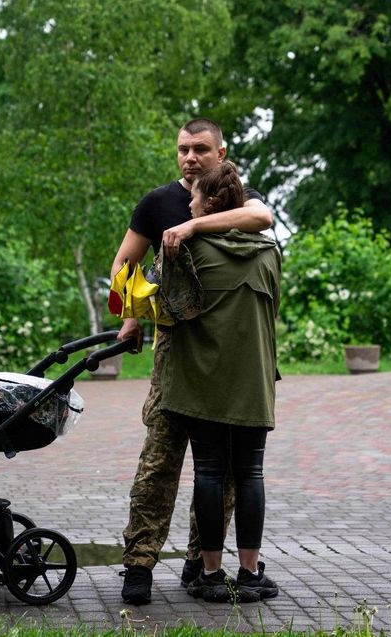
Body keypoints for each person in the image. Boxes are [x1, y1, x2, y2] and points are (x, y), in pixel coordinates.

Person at [111, 118, 272, 605]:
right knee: (159, 460)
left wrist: (193, 223)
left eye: (200, 149)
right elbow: (123, 264)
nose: (190, 157)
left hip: (228, 355)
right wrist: (132, 314)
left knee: (219, 469)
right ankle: (139, 563)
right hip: (173, 349)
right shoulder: (156, 202)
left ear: (221, 153)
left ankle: (201, 561)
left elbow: (261, 219)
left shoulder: (238, 198)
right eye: (183, 149)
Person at [160, 161, 280, 603]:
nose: (188, 204)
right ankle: (250, 572)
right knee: (250, 473)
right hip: (254, 381)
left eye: (194, 197)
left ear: (210, 203)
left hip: (201, 381)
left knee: (209, 471)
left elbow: (166, 311)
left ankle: (210, 574)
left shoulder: (187, 251)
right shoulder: (270, 253)